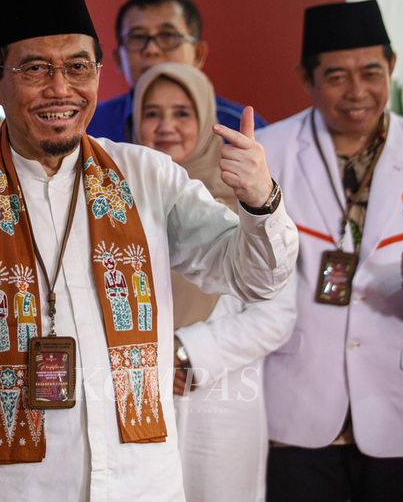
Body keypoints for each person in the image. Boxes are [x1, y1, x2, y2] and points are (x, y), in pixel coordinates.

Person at [0, 0, 298, 501]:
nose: (60, 89)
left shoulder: (146, 175)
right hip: (11, 488)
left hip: (140, 485)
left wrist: (262, 200)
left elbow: (256, 277)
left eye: (78, 67)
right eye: (35, 69)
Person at [259, 0, 403, 501]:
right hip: (296, 403)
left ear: (392, 67)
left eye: (372, 72)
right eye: (336, 76)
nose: (357, 93)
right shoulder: (266, 153)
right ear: (306, 77)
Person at [132, 62, 297, 502]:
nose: (166, 127)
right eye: (153, 113)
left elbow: (276, 313)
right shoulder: (114, 198)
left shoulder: (252, 195)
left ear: (206, 119)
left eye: (183, 113)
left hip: (221, 401)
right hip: (135, 396)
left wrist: (187, 352)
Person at [89, 0, 266, 142]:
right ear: (119, 59)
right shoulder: (90, 126)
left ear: (198, 54)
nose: (152, 49)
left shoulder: (241, 127)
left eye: (167, 36)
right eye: (137, 37)